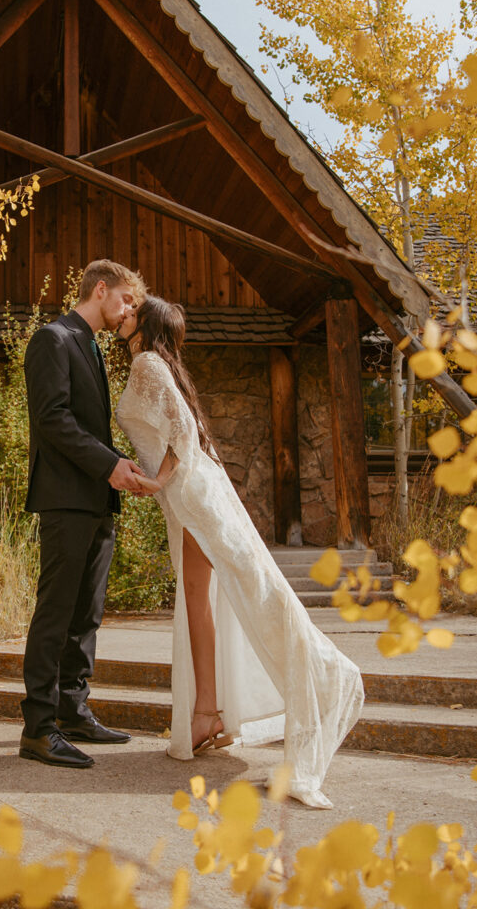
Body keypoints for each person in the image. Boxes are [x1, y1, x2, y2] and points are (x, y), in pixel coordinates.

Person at [115, 296, 364, 808]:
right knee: (202, 603)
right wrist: (162, 484)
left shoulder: (146, 362)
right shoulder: (161, 365)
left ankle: (326, 675)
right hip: (190, 494)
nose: (125, 315)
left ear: (148, 324)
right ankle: (206, 714)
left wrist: (154, 481)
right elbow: (184, 433)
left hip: (191, 493)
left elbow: (183, 433)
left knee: (250, 595)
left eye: (133, 310)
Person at [19, 260, 147, 769]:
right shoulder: (51, 339)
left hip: (97, 498)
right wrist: (108, 464)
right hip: (65, 498)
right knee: (55, 613)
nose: (129, 311)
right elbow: (52, 418)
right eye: (126, 300)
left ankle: (73, 712)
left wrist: (119, 469)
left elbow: (91, 425)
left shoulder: (91, 345)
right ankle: (38, 729)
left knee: (85, 615)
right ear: (101, 289)